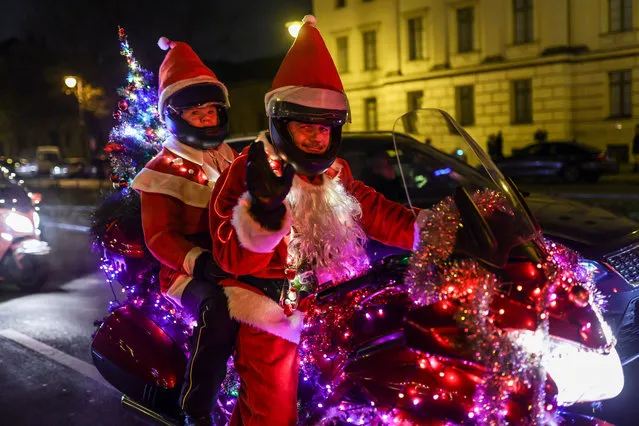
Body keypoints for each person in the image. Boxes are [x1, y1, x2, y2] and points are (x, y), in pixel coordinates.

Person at [209, 15, 428, 425]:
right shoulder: (250, 170)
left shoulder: (334, 173)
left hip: (337, 304)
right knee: (273, 407)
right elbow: (231, 256)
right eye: (303, 126)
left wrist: (438, 232)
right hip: (274, 314)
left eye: (324, 129)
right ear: (280, 124)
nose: (315, 137)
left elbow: (377, 212)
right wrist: (265, 215)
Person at [131, 37, 239, 426]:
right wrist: (200, 262)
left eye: (212, 111)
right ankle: (196, 407)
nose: (209, 119)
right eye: (197, 113)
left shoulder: (228, 156)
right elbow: (160, 236)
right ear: (175, 116)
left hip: (236, 260)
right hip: (185, 272)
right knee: (220, 311)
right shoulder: (162, 171)